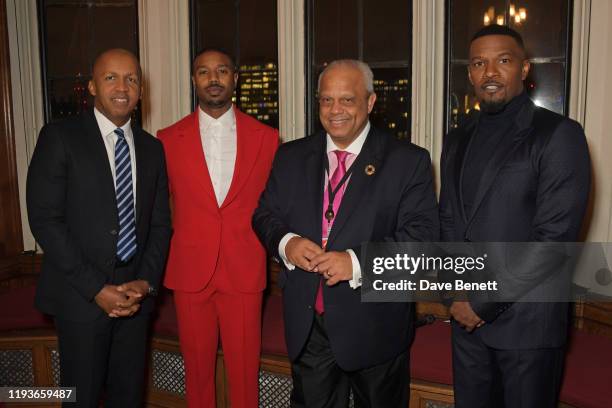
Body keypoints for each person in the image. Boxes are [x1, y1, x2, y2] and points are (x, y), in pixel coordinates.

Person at [253, 59, 439, 407]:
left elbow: (423, 238)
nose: (335, 110)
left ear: (369, 102)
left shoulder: (408, 161)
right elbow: (264, 214)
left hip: (376, 327)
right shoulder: (290, 156)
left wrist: (355, 262)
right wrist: (286, 243)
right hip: (309, 326)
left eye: (347, 100)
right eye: (326, 100)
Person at [439, 25, 591, 407]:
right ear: (470, 73)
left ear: (524, 69)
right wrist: (454, 294)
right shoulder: (457, 137)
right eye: (479, 63)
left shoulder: (559, 135)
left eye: (502, 61)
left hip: (528, 330)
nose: (490, 73)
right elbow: (448, 223)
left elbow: (554, 239)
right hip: (466, 326)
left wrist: (481, 304)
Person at [26, 48, 171, 407]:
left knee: (128, 397)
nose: (123, 87)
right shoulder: (59, 137)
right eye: (111, 77)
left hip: (135, 300)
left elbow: (160, 224)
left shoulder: (153, 149)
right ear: (92, 85)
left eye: (132, 79)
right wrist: (96, 289)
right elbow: (45, 221)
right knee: (81, 398)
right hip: (80, 298)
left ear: (141, 89)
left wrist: (146, 282)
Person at [157, 48, 278, 407]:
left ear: (235, 79)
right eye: (204, 72)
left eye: (222, 70)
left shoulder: (267, 139)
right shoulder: (165, 139)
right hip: (189, 271)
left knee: (245, 375)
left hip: (244, 270)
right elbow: (158, 210)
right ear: (194, 80)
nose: (213, 78)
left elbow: (276, 207)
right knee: (196, 375)